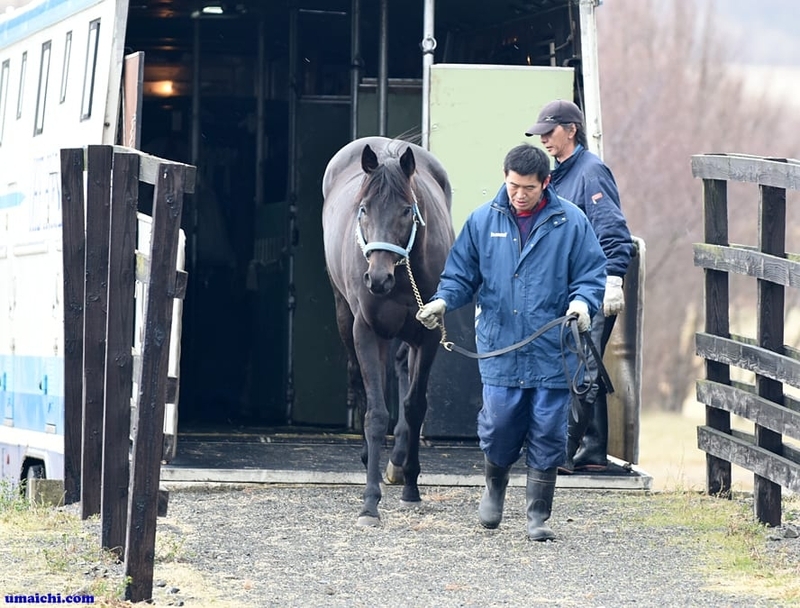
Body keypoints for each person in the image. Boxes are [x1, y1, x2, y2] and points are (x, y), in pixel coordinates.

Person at [416, 144, 606, 541]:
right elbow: (460, 274)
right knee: (500, 424)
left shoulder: (571, 222)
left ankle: (538, 514)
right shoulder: (482, 221)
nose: (519, 194)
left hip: (553, 348)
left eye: (528, 188)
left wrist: (582, 302)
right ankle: (495, 487)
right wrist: (442, 301)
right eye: (513, 186)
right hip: (501, 346)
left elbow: (590, 274)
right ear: (505, 178)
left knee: (548, 429)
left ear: (545, 183)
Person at [524, 99, 635, 474]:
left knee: (581, 369)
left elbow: (613, 230)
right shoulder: (560, 175)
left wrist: (613, 278)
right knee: (586, 364)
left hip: (593, 288)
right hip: (571, 290)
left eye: (549, 132)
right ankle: (593, 450)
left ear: (571, 130)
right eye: (540, 134)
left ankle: (561, 453)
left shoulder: (591, 171)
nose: (543, 140)